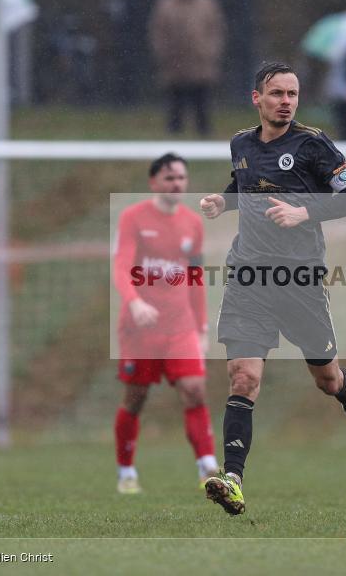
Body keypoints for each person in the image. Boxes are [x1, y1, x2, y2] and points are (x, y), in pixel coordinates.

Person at [198, 62, 346, 515]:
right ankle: (233, 478)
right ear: (256, 98)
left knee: (327, 378)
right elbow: (244, 185)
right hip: (249, 278)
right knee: (244, 376)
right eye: (277, 93)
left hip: (300, 280)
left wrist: (304, 213)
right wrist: (224, 200)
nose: (286, 101)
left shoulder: (312, 145)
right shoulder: (241, 143)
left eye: (293, 94)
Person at [112, 153, 218, 494]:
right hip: (139, 327)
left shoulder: (193, 224)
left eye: (181, 178)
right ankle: (126, 472)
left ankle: (208, 468)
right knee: (136, 398)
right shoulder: (132, 218)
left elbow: (196, 279)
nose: (177, 184)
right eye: (170, 178)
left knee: (194, 389)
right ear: (154, 182)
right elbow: (120, 266)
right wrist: (135, 302)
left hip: (180, 326)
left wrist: (201, 328)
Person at [148, 0, 226, 135]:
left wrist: (210, 51)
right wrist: (163, 53)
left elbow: (217, 30)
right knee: (175, 103)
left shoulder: (207, 3)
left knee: (201, 102)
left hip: (201, 63)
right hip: (174, 63)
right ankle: (174, 134)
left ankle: (204, 133)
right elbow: (157, 31)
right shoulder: (165, 4)